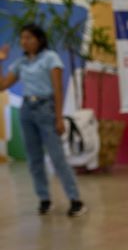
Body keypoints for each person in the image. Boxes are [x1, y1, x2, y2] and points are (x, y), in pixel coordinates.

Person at [0, 24, 86, 216]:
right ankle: (44, 199)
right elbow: (3, 85)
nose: (25, 41)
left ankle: (75, 200)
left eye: (29, 37)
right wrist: (1, 61)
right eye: (22, 38)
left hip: (45, 109)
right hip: (27, 110)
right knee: (34, 159)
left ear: (39, 39)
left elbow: (57, 89)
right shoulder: (21, 63)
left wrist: (59, 118)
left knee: (57, 157)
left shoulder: (51, 58)